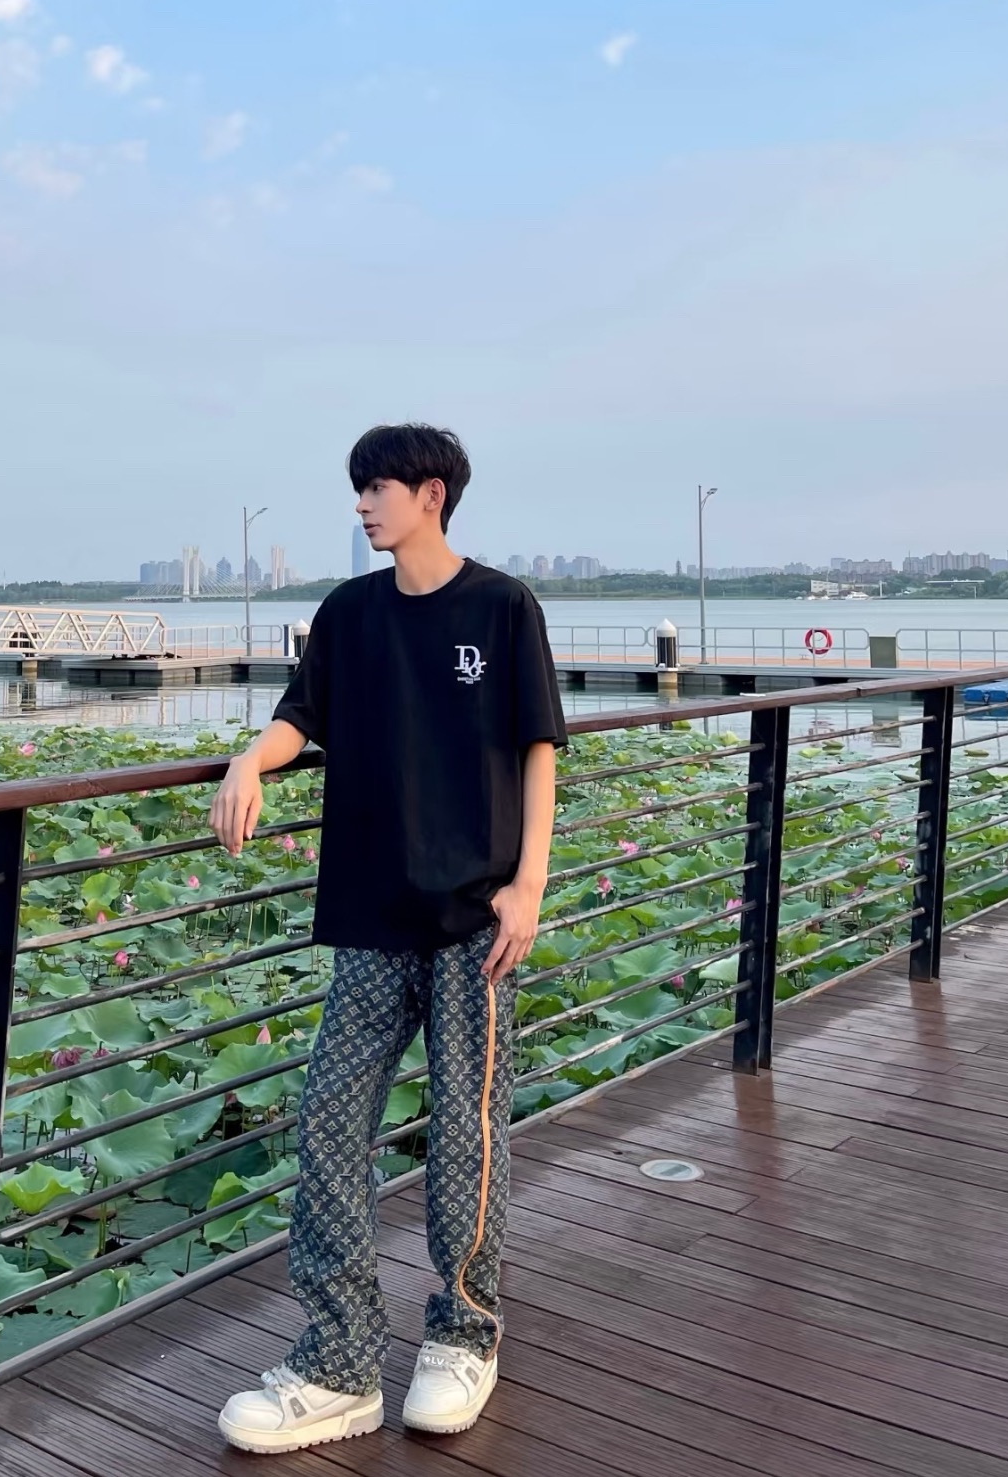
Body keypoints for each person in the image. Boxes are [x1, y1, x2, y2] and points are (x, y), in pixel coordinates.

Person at [211, 424, 566, 1454]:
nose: (363, 504)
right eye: (360, 489)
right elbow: (301, 716)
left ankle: (464, 1333)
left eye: (377, 487)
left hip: (473, 918)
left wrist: (528, 885)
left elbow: (538, 746)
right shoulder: (349, 613)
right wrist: (250, 760)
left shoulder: (502, 607)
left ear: (431, 494)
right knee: (328, 1123)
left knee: (466, 1131)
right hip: (370, 916)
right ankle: (339, 1361)